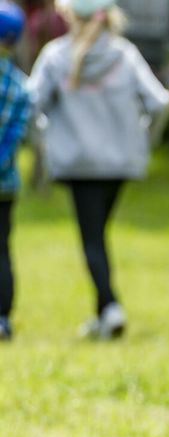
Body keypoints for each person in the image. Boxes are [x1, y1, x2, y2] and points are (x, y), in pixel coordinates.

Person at [26, 0, 169, 340]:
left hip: (79, 163)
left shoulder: (55, 55)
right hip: (121, 162)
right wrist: (146, 140)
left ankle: (109, 307)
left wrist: (44, 139)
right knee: (98, 235)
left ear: (70, 16)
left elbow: (30, 104)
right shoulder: (125, 54)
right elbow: (160, 102)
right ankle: (103, 311)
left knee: (92, 238)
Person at [0, 0, 30, 342]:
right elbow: (15, 139)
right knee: (2, 250)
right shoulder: (21, 86)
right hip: (5, 183)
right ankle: (3, 317)